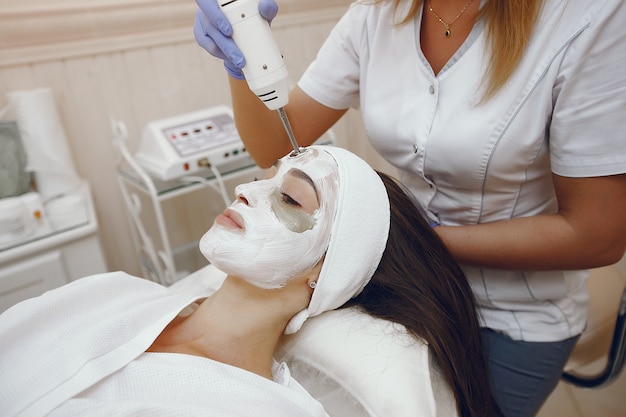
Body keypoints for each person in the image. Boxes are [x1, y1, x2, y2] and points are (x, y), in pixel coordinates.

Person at [193, 1, 626, 416]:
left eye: (291, 198)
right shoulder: (376, 13)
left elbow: (598, 234)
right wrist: (242, 56)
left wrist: (395, 241)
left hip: (515, 315)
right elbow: (274, 143)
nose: (246, 192)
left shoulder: (588, 16)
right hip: (406, 292)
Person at [0, 145, 496, 417]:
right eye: (266, 178)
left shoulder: (261, 409)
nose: (245, 190)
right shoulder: (113, 292)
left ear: (327, 269)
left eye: (291, 198)